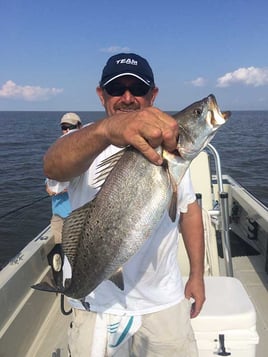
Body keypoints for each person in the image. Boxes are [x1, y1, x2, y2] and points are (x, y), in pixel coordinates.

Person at [44, 53, 205, 357]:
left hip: (162, 301)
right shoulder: (84, 140)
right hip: (96, 303)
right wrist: (106, 130)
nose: (127, 98)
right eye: (117, 89)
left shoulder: (171, 147)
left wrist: (197, 275)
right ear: (101, 94)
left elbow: (188, 211)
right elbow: (52, 166)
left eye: (138, 90)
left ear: (153, 95)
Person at [46, 112, 82, 244]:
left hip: (79, 216)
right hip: (58, 215)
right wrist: (53, 189)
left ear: (79, 126)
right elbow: (49, 185)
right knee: (60, 248)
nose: (66, 131)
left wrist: (67, 188)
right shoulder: (56, 152)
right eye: (64, 127)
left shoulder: (89, 151)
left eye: (70, 127)